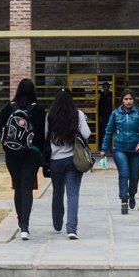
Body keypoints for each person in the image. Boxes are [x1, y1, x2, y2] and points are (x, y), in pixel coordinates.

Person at [0, 78, 46, 240]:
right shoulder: (37, 109)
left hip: (12, 154)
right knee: (26, 188)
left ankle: (19, 221)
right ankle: (25, 226)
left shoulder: (10, 107)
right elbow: (44, 133)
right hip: (32, 153)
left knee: (18, 187)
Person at [45, 88, 91, 240]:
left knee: (57, 192)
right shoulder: (78, 115)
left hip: (55, 160)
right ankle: (71, 229)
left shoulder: (50, 116)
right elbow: (86, 134)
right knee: (73, 194)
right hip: (73, 159)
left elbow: (45, 135)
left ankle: (57, 224)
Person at [99, 88, 139, 215]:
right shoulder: (115, 114)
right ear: (122, 101)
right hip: (120, 149)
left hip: (135, 151)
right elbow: (108, 132)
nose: (128, 101)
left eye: (130, 99)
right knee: (124, 173)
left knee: (134, 176)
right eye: (126, 99)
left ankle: (132, 195)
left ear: (134, 100)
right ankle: (124, 200)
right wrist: (104, 148)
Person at [97, 82, 112, 148]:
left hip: (110, 115)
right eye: (104, 87)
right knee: (103, 131)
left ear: (109, 87)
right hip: (103, 116)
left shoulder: (111, 95)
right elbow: (99, 106)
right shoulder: (102, 95)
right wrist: (99, 116)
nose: (105, 88)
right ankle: (103, 146)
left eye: (106, 87)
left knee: (110, 130)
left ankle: (110, 146)